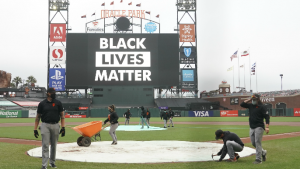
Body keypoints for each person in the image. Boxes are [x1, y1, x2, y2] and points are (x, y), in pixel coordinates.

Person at [34, 88, 65, 169]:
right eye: (52, 92)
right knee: (45, 145)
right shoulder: (42, 103)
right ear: (48, 93)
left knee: (54, 145)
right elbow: (37, 117)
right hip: (45, 125)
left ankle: (52, 162)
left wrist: (63, 127)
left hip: (55, 125)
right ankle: (44, 165)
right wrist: (35, 129)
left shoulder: (58, 103)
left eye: (54, 92)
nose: (54, 94)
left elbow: (62, 116)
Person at [240, 94, 270, 164]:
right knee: (253, 143)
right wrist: (250, 100)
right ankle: (263, 152)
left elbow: (267, 117)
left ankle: (258, 160)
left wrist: (267, 127)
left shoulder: (262, 107)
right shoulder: (250, 105)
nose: (253, 101)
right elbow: (242, 104)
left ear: (258, 99)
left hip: (259, 126)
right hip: (252, 127)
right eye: (252, 99)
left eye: (254, 99)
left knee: (257, 142)